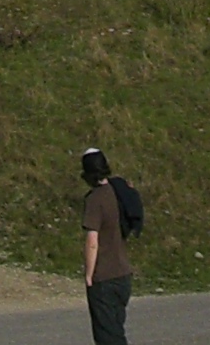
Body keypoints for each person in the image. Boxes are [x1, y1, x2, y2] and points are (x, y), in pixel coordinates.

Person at [78, 146, 132, 345]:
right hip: (123, 274)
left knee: (107, 337)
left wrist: (89, 275)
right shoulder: (117, 192)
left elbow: (93, 241)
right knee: (116, 330)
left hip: (104, 278)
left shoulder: (95, 199)